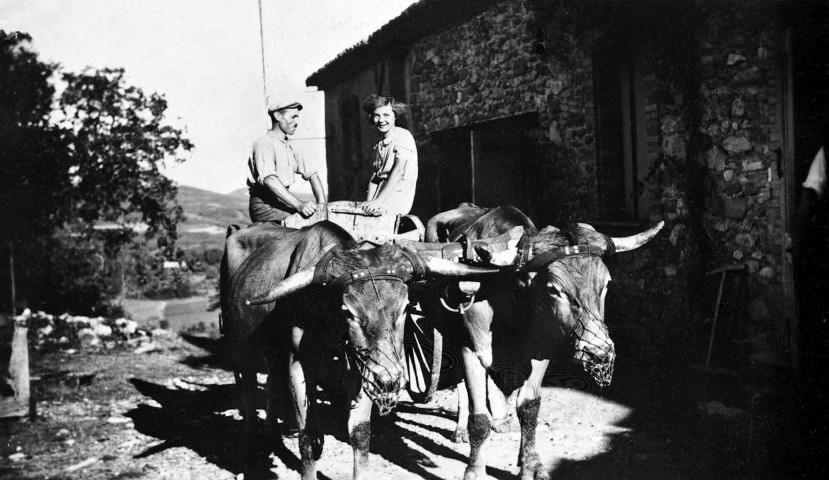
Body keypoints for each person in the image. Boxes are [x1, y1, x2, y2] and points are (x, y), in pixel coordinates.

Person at [247, 96, 327, 223]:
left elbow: (313, 175)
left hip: (282, 202)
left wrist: (322, 208)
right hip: (265, 207)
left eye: (297, 117)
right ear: (278, 116)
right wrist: (299, 205)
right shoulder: (264, 144)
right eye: (293, 117)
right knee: (304, 225)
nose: (296, 122)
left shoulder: (291, 146)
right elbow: (270, 180)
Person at [362, 95, 418, 216]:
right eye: (377, 115)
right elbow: (375, 178)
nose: (381, 120)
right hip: (380, 198)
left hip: (397, 198)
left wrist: (378, 202)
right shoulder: (378, 145)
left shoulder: (403, 137)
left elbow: (399, 171)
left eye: (386, 115)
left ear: (395, 116)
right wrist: (368, 202)